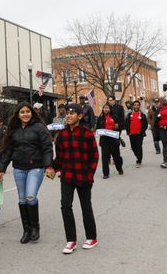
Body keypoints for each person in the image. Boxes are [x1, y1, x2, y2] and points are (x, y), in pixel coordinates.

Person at [0, 102, 54, 244]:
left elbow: (47, 147)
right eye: (22, 112)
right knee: (22, 199)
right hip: (19, 169)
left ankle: (35, 228)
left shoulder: (39, 127)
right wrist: (1, 168)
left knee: (30, 196)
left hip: (35, 167)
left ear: (32, 113)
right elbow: (8, 151)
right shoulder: (14, 130)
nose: (25, 114)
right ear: (18, 114)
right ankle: (26, 230)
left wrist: (48, 166)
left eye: (27, 111)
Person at [53, 103, 99, 254]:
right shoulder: (62, 135)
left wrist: (90, 174)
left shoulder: (87, 134)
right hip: (67, 176)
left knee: (86, 207)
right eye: (67, 113)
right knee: (65, 206)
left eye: (72, 113)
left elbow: (95, 156)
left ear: (80, 116)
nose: (68, 115)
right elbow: (59, 157)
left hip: (84, 177)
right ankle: (71, 240)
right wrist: (52, 168)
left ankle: (91, 237)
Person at [96, 104, 124, 178]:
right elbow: (97, 128)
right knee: (104, 158)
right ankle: (106, 174)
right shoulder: (100, 118)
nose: (105, 109)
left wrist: (118, 126)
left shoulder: (115, 117)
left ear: (110, 109)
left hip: (113, 140)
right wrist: (99, 133)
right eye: (104, 108)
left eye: (107, 108)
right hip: (104, 140)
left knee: (116, 156)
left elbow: (121, 125)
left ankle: (119, 169)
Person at [125, 101, 148, 167]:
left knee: (139, 147)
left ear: (139, 106)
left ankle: (139, 161)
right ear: (133, 106)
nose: (136, 106)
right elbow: (126, 124)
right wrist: (128, 132)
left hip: (139, 134)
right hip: (131, 134)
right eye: (135, 105)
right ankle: (138, 156)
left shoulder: (142, 115)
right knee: (133, 147)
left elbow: (145, 125)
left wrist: (141, 132)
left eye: (137, 105)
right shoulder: (129, 115)